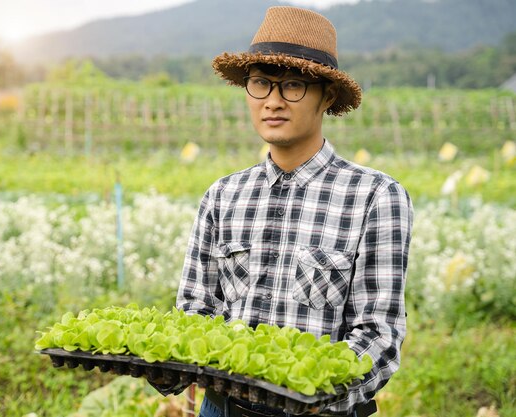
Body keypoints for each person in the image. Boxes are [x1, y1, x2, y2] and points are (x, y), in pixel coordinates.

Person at [176, 6, 413, 417]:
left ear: (328, 96)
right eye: (261, 84)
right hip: (222, 409)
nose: (273, 102)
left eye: (292, 86)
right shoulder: (223, 194)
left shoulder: (376, 196)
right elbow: (196, 306)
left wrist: (310, 392)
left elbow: (378, 335)